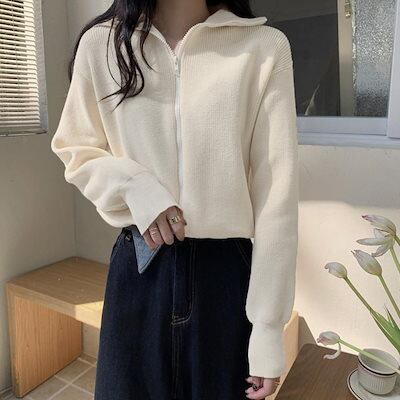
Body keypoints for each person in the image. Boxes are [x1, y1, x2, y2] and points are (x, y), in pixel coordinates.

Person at [50, 0, 299, 399]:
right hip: (140, 268)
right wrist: (136, 186)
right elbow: (75, 150)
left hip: (225, 277)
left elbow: (277, 197)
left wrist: (268, 330)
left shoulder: (263, 47)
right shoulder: (102, 45)